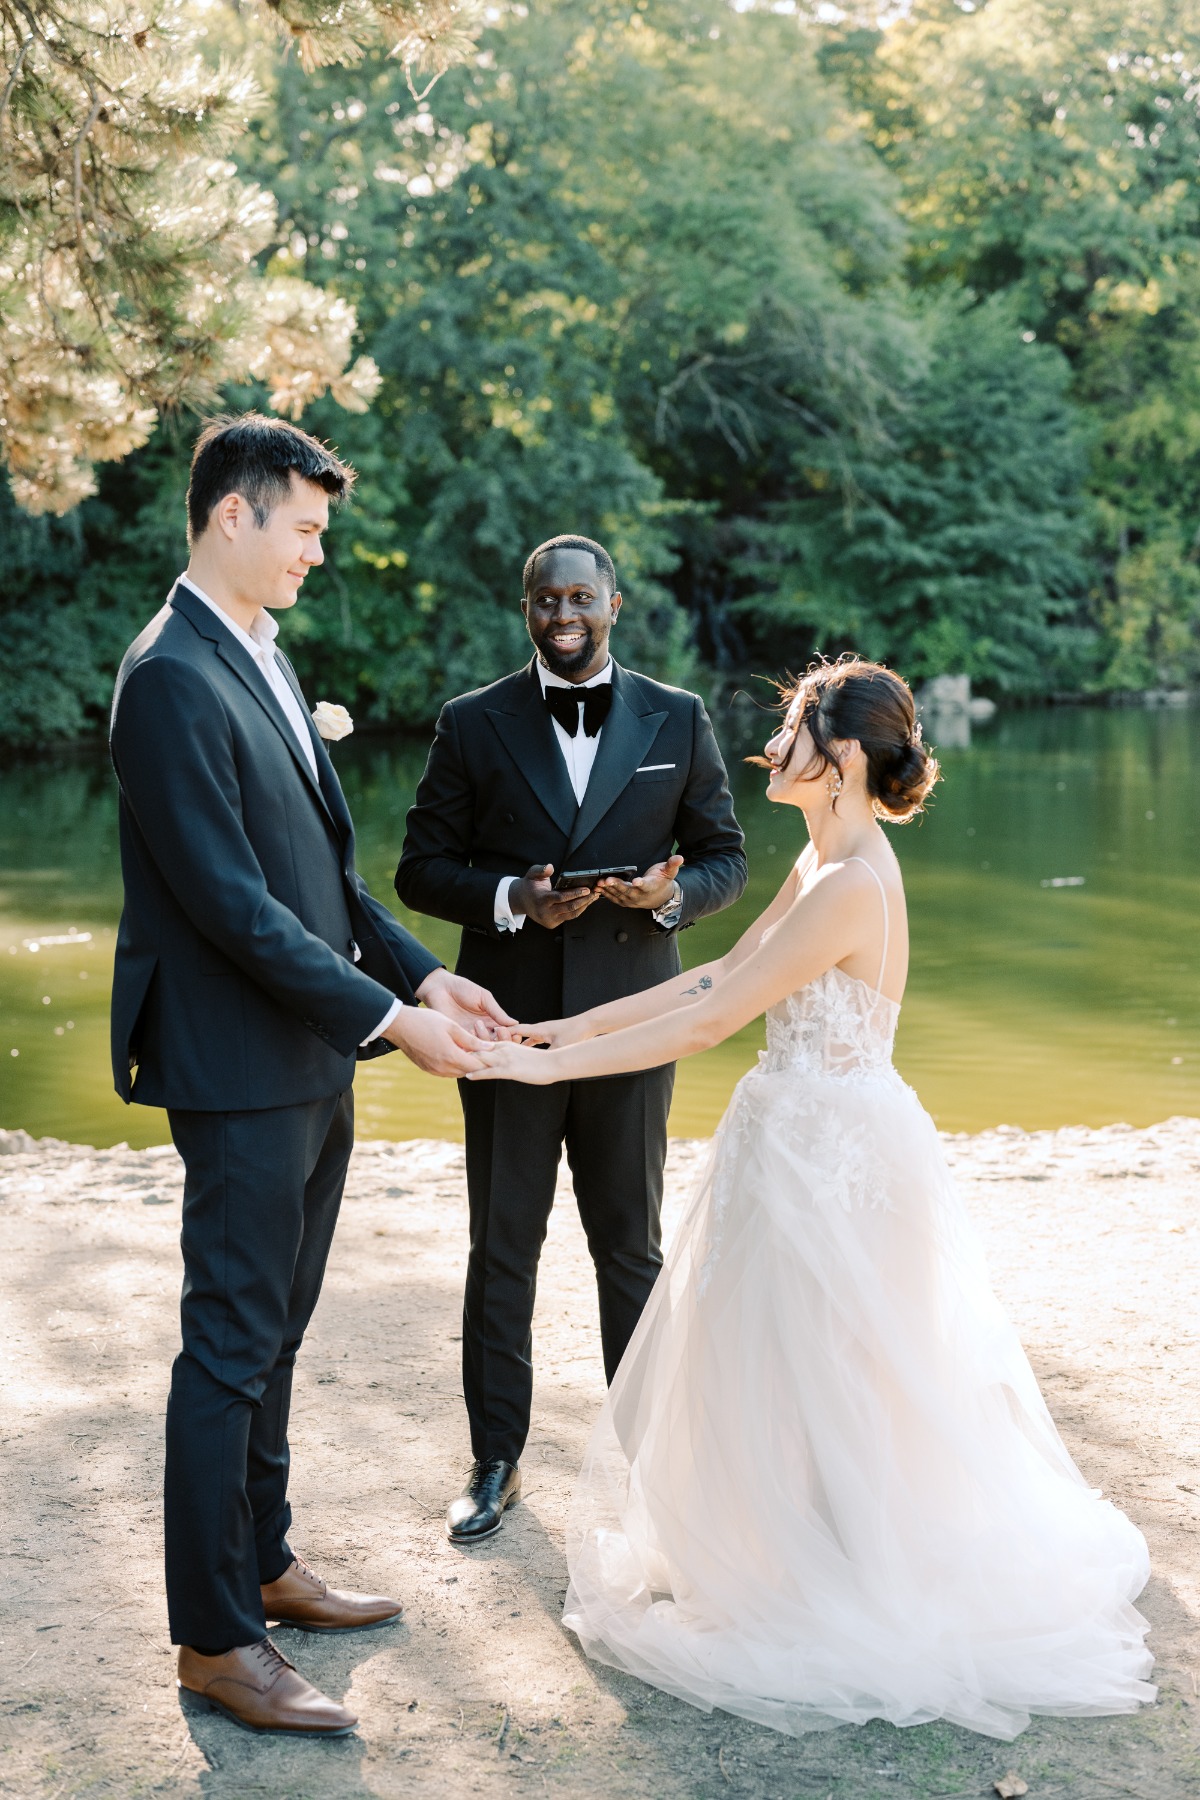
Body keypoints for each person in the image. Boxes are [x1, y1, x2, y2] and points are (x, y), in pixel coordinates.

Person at [468, 656, 1155, 1740]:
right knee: (783, 1370)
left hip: (837, 1162)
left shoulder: (849, 885)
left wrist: (542, 1074)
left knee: (841, 1374)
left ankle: (845, 1585)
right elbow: (705, 974)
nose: (769, 746)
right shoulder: (823, 858)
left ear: (836, 758)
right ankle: (789, 1558)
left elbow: (712, 1020)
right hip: (789, 1142)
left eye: (790, 730)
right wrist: (552, 1029)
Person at [109, 415, 508, 1737]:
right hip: (235, 1068)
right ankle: (214, 1642)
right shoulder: (170, 676)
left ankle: (264, 1564)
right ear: (235, 514)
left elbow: (323, 880)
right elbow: (230, 906)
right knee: (225, 1351)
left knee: (275, 1335)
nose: (317, 555)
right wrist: (392, 1023)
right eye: (305, 528)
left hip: (306, 1056)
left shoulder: (261, 657)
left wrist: (421, 976)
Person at [397, 534, 747, 1544]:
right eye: (545, 600)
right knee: (502, 1246)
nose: (563, 615)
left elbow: (726, 857)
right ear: (526, 610)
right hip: (508, 1025)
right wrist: (512, 898)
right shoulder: (471, 722)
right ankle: (496, 1459)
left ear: (614, 605)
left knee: (626, 1246)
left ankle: (648, 1457)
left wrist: (674, 895)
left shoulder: (677, 718)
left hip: (636, 1023)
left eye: (581, 598)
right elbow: (422, 868)